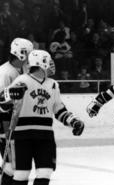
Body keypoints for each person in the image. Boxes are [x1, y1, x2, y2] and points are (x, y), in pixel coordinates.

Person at [3, 50, 85, 185]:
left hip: (45, 135)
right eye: (49, 60)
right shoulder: (22, 80)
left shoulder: (53, 84)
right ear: (41, 63)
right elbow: (4, 102)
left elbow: (59, 109)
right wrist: (10, 94)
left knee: (45, 172)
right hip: (23, 135)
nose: (52, 64)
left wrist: (73, 121)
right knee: (21, 174)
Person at [0, 38, 33, 185]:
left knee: (14, 166)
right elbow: (2, 104)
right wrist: (7, 131)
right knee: (12, 167)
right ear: (21, 54)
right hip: (4, 124)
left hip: (16, 124)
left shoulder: (22, 70)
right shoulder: (5, 72)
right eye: (29, 54)